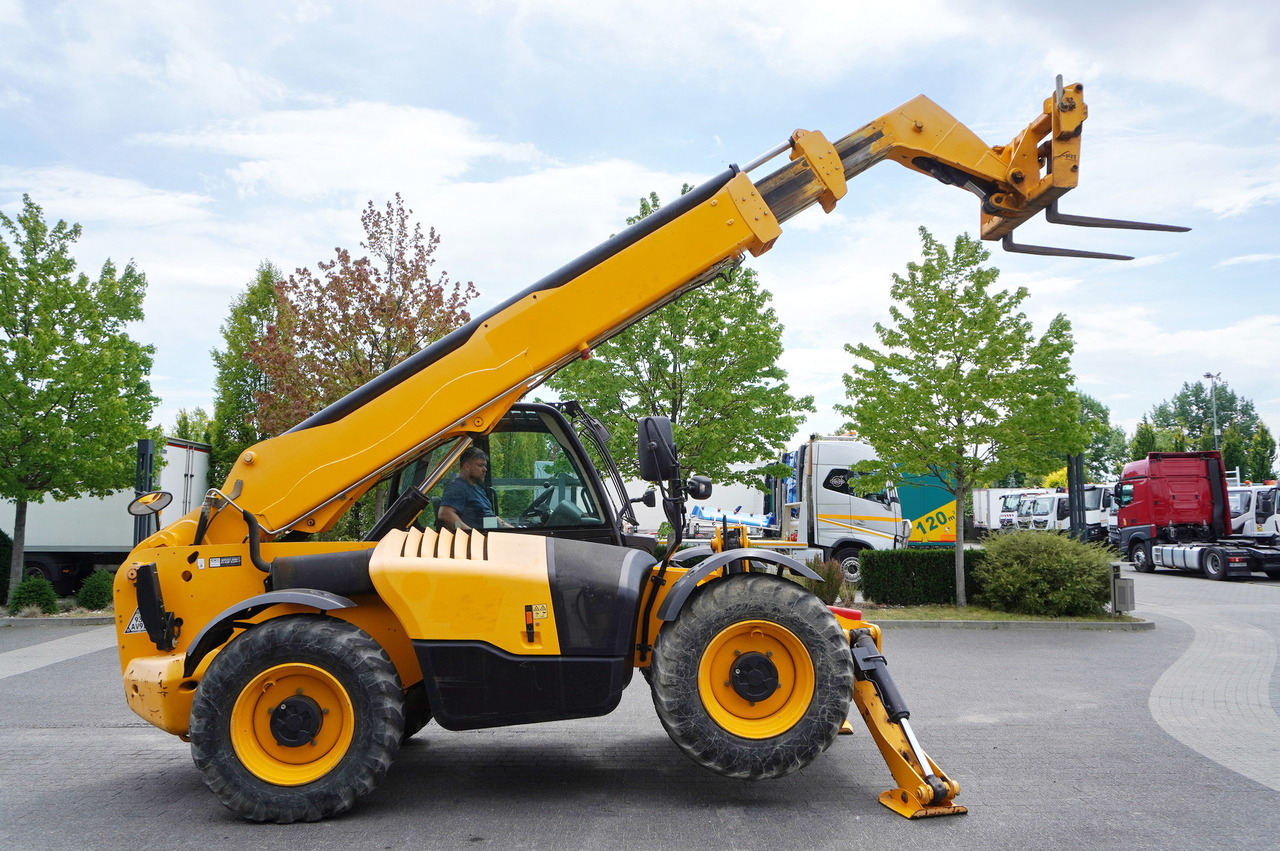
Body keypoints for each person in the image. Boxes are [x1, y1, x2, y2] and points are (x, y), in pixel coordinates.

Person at [438, 447, 506, 533]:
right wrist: (471, 534)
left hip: (492, 534)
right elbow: (446, 515)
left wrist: (513, 530)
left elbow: (490, 517)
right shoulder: (457, 487)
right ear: (467, 466)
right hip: (479, 539)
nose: (485, 469)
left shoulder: (478, 489)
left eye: (485, 466)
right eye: (480, 465)